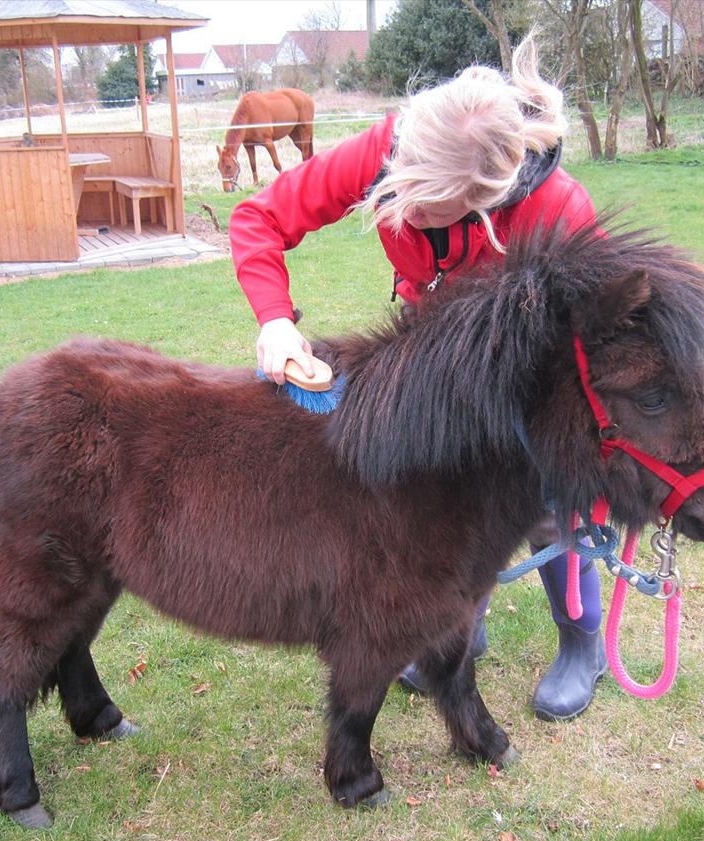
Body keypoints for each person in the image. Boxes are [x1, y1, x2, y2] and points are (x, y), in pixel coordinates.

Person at [228, 38, 605, 722]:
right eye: (396, 189)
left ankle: (583, 641)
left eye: (424, 207)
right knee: (444, 495)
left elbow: (598, 347)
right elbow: (261, 217)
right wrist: (275, 321)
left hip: (534, 367)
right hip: (435, 356)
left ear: (487, 201)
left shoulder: (560, 212)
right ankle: (461, 626)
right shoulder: (388, 153)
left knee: (546, 504)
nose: (399, 209)